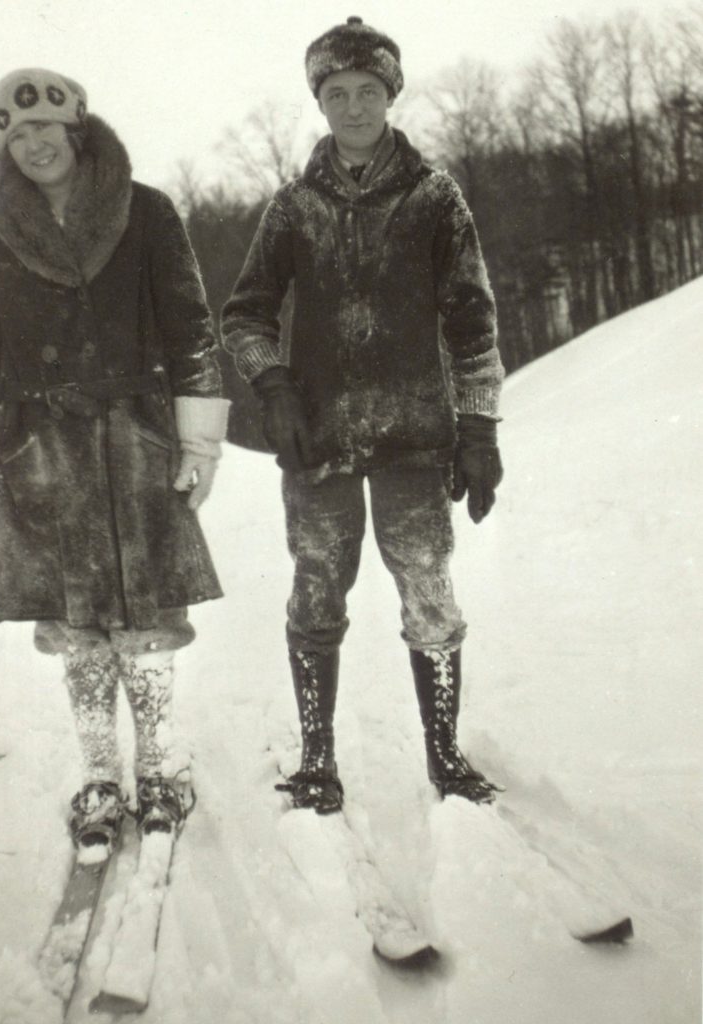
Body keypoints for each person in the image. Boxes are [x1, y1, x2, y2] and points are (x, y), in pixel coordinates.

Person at [221, 17, 505, 815]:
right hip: (318, 440)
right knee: (317, 590)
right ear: (320, 101)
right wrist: (272, 385)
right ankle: (316, 758)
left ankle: (445, 756)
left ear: (390, 95)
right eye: (336, 93)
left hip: (415, 437)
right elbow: (242, 314)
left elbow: (473, 322)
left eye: (367, 91)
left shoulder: (433, 198)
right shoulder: (292, 207)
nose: (352, 106)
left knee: (427, 589)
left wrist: (478, 427)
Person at [0, 69, 230, 851]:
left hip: (137, 435)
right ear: (3, 149)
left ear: (76, 131)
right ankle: (99, 777)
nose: (35, 142)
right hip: (40, 447)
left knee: (149, 616)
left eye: (46, 127)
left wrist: (198, 442)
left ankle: (158, 772)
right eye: (17, 134)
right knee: (74, 624)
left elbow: (190, 328)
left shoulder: (146, 210)